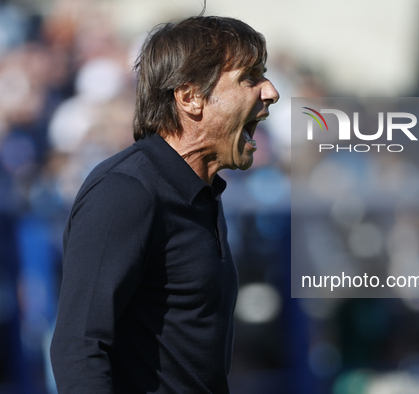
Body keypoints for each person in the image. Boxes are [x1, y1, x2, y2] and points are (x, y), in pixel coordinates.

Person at [49, 16, 279, 393]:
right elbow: (79, 348)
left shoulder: (200, 190)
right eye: (250, 78)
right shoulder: (125, 191)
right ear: (190, 97)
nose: (270, 92)